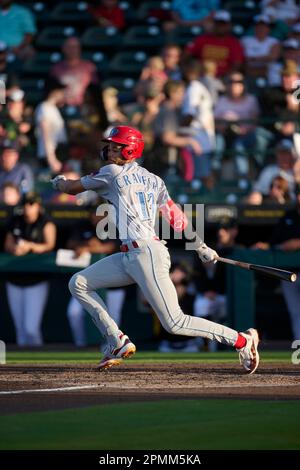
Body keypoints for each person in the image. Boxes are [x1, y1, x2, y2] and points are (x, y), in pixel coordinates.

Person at [51, 125, 259, 373]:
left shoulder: (112, 173)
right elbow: (176, 216)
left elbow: (72, 188)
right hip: (132, 254)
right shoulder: (154, 179)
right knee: (79, 283)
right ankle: (116, 340)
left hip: (146, 252)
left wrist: (59, 181)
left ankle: (242, 340)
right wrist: (200, 245)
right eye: (111, 145)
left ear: (130, 150)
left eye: (116, 146)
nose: (109, 149)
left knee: (175, 322)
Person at [4, 191, 57, 346]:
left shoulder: (45, 222)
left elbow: (50, 245)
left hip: (36, 280)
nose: (28, 207)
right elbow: (8, 244)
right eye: (26, 204)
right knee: (20, 329)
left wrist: (30, 246)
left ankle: (39, 365)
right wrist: (15, 249)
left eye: (31, 204)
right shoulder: (15, 221)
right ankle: (24, 368)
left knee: (31, 328)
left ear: (38, 206)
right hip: (14, 279)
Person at [184, 10, 244, 77]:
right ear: (214, 24)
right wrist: (188, 73)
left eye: (223, 24)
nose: (220, 26)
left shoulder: (234, 43)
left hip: (223, 79)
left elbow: (237, 64)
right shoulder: (202, 39)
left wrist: (224, 78)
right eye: (218, 23)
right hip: (201, 77)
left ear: (229, 25)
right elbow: (186, 55)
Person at [50, 36, 99, 107]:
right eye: (69, 47)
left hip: (84, 107)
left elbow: (95, 91)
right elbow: (52, 92)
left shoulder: (89, 67)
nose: (72, 50)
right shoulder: (56, 69)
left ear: (80, 49)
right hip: (62, 107)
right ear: (63, 48)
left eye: (75, 47)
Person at [34, 78, 68, 175]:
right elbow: (46, 134)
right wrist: (51, 159)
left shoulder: (53, 108)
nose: (62, 93)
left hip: (58, 153)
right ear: (54, 91)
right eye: (60, 90)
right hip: (50, 157)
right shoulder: (44, 107)